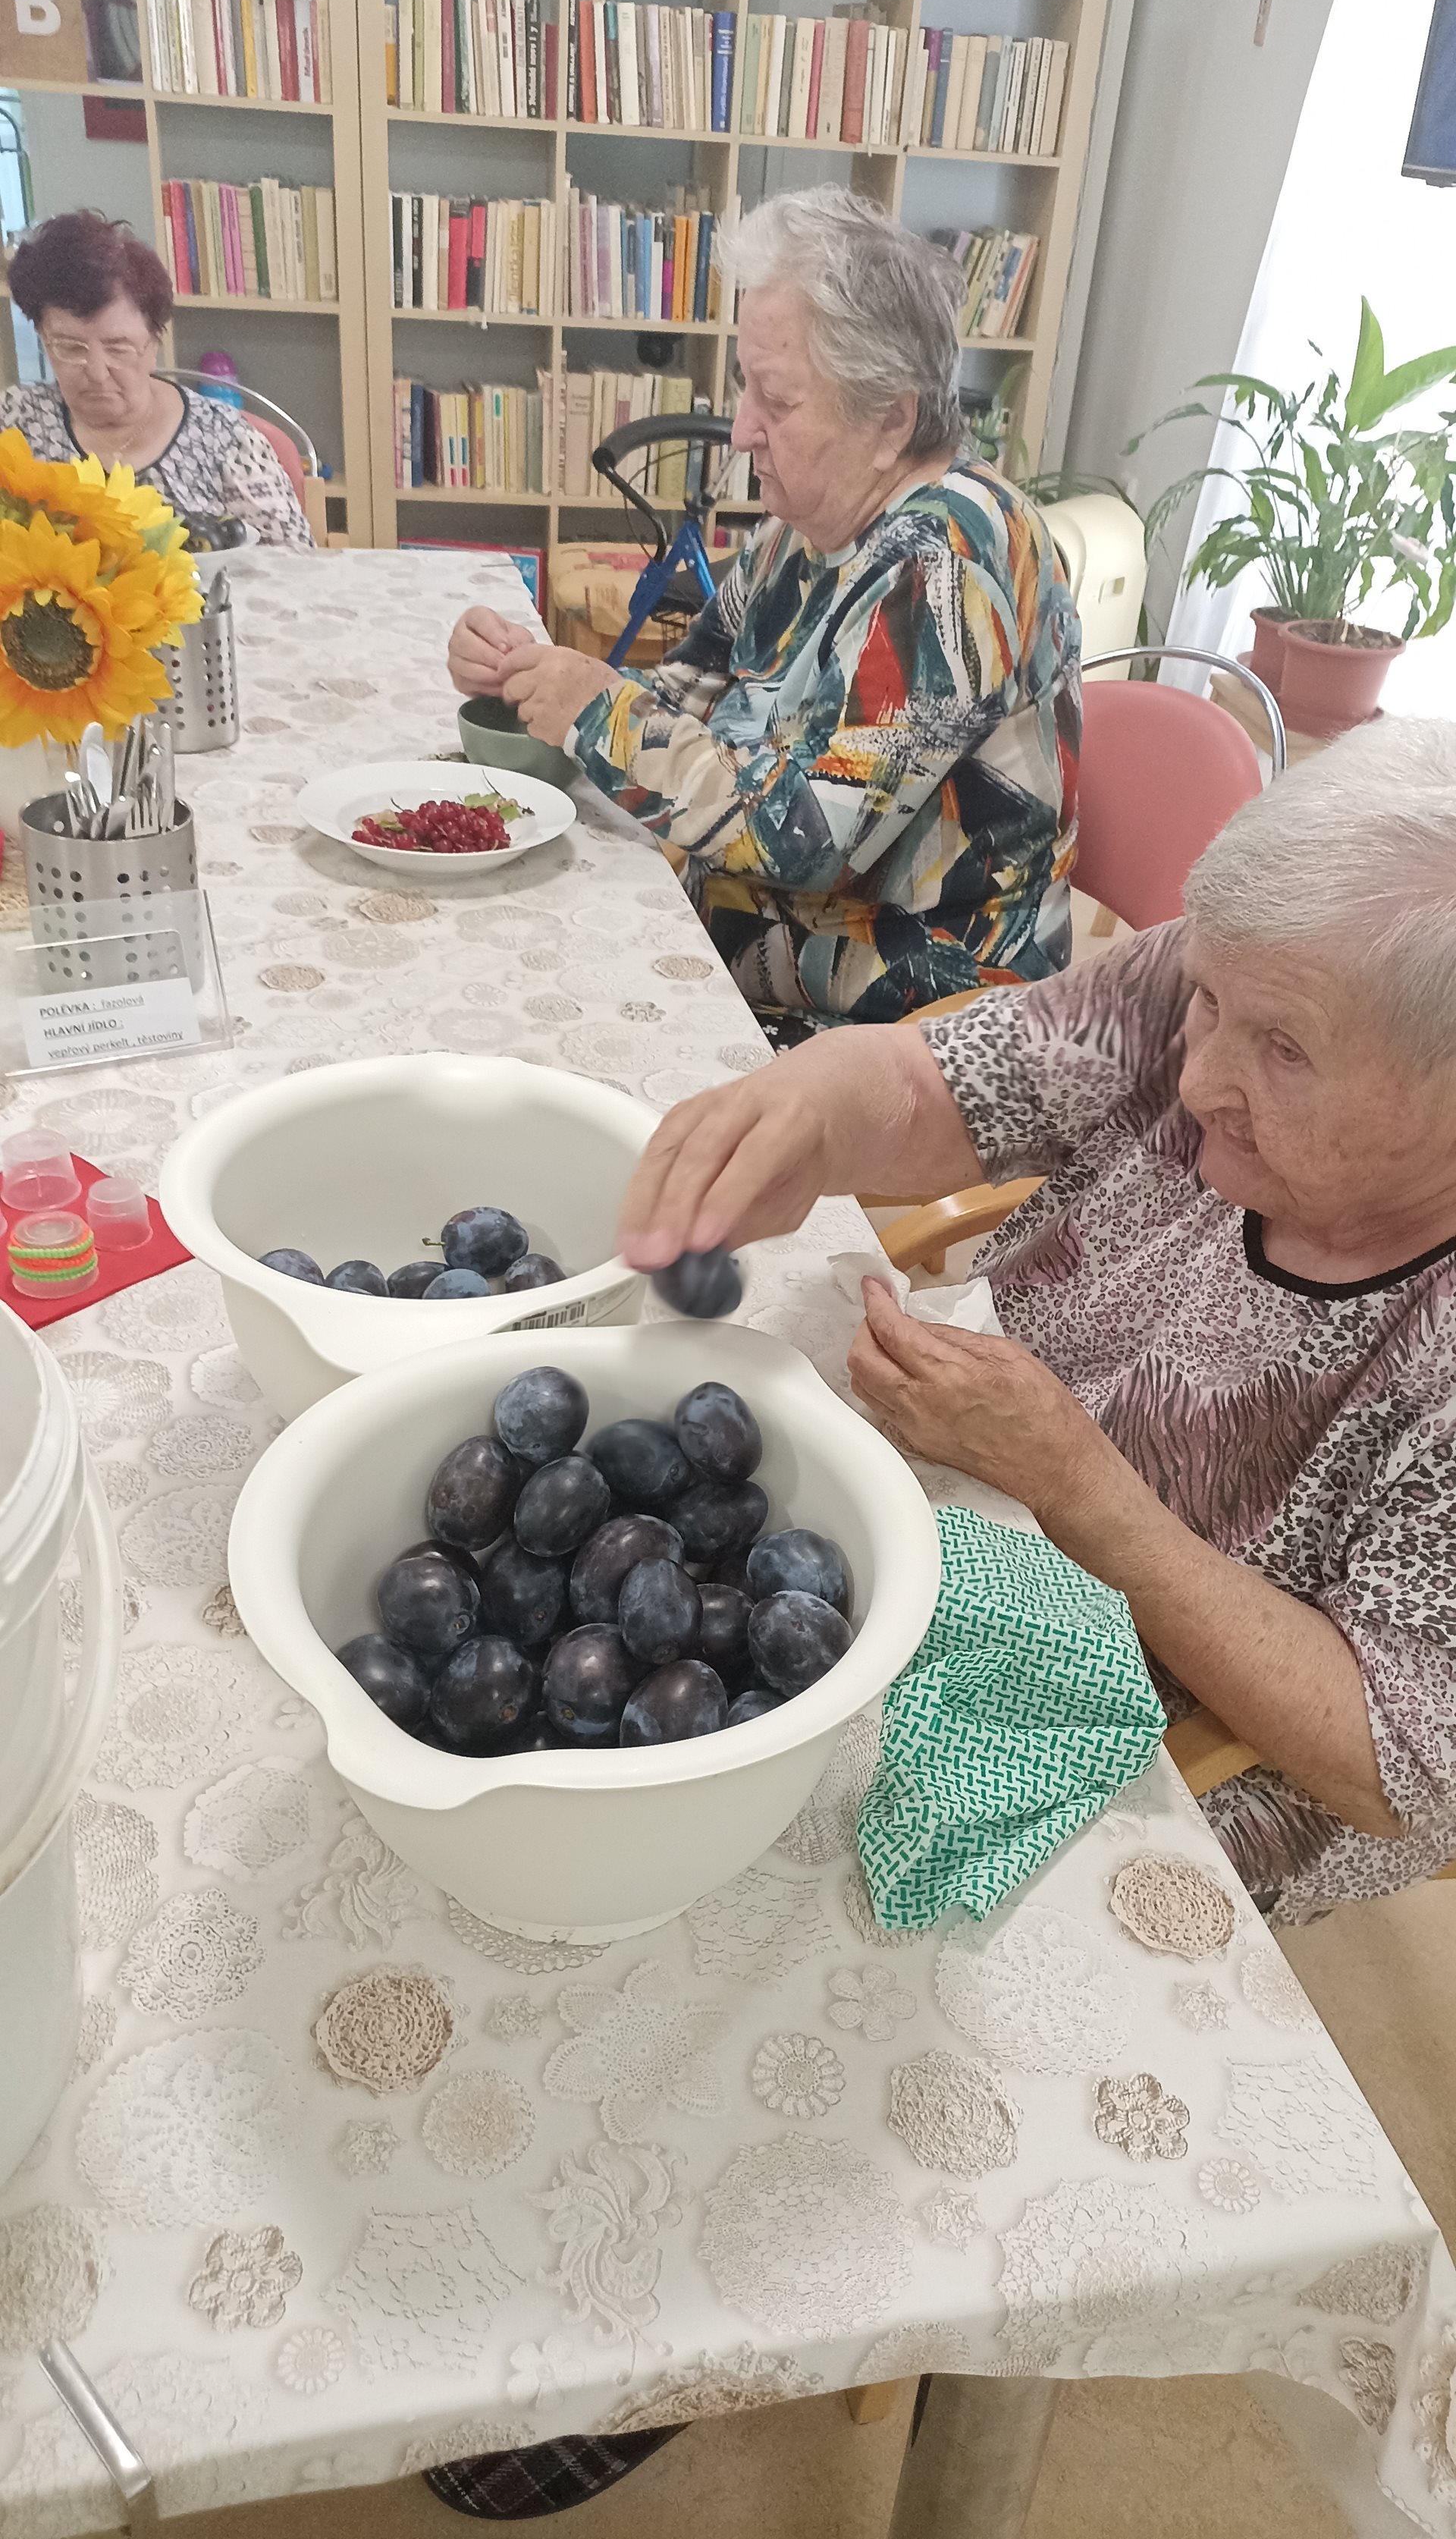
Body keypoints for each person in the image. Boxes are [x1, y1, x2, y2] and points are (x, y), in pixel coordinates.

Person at [618, 717, 1456, 1926]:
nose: (1198, 1078)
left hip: (1166, 1722)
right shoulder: (1257, 966)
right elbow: (949, 1085)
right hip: (965, 1469)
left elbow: (1395, 1762)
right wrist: (814, 1104)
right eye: (1207, 1000)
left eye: (1283, 1052)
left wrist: (1075, 1485)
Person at [448, 186, 1079, 1037]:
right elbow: (689, 695)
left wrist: (596, 711)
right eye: (747, 388)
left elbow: (808, 836)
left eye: (776, 402)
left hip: (905, 1030)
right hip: (762, 953)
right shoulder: (809, 528)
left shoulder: (943, 567)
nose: (742, 430)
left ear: (890, 420)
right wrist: (532, 681)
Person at [2, 211, 312, 548]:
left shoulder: (225, 440)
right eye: (70, 347)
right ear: (43, 338)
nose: (96, 371)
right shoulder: (13, 421)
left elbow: (294, 565)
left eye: (118, 348)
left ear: (154, 343)